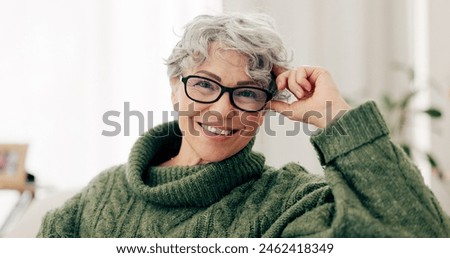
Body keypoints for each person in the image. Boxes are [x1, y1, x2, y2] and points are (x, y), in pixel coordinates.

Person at [37, 13, 450, 238]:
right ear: (175, 89)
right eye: (204, 84)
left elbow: (424, 239)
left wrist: (335, 119)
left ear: (267, 106)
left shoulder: (288, 204)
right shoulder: (97, 200)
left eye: (248, 93)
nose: (222, 109)